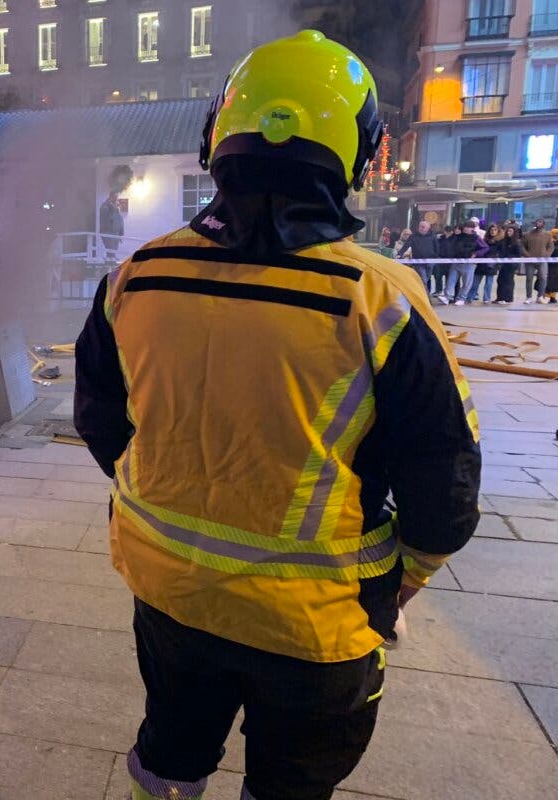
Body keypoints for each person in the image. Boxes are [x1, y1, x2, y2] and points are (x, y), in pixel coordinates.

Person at [74, 31, 480, 800]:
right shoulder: (379, 299)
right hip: (315, 626)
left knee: (168, 757)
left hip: (170, 593)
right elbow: (445, 481)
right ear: (357, 155)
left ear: (218, 138)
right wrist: (406, 578)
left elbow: (102, 421)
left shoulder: (138, 275)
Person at [439, 220, 481, 305]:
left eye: (469, 227)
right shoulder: (458, 237)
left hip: (469, 263)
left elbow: (485, 248)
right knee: (451, 280)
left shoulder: (476, 238)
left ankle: (462, 298)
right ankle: (447, 297)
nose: (466, 229)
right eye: (465, 227)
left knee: (467, 282)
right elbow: (452, 246)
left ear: (473, 228)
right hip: (456, 262)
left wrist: (476, 254)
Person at [465, 223, 501, 304]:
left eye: (495, 230)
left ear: (498, 231)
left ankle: (486, 298)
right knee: (475, 283)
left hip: (491, 265)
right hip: (481, 264)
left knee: (488, 284)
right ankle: (470, 297)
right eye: (491, 230)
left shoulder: (499, 242)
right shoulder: (484, 240)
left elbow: (499, 253)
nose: (493, 231)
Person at [521, 218, 553, 304]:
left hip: (542, 260)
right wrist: (527, 255)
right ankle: (529, 297)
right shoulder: (527, 235)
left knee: (543, 277)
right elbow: (522, 246)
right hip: (530, 261)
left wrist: (547, 255)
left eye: (540, 222)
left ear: (543, 224)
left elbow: (551, 246)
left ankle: (540, 296)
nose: (538, 223)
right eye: (537, 222)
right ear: (534, 223)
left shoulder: (547, 235)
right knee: (529, 278)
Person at [495, 224, 523, 304]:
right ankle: (500, 297)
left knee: (508, 281)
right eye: (508, 231)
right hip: (503, 264)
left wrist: (508, 256)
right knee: (500, 280)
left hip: (511, 265)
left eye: (510, 231)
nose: (508, 232)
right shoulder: (504, 241)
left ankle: (507, 298)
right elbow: (499, 249)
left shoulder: (517, 243)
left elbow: (518, 254)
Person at [404, 221, 437, 286]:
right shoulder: (413, 236)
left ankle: (421, 290)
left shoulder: (433, 236)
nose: (420, 228)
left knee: (426, 278)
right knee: (423, 279)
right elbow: (406, 245)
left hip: (430, 261)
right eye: (420, 226)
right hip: (418, 261)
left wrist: (436, 258)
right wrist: (400, 254)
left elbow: (437, 247)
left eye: (423, 227)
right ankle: (425, 293)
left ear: (428, 228)